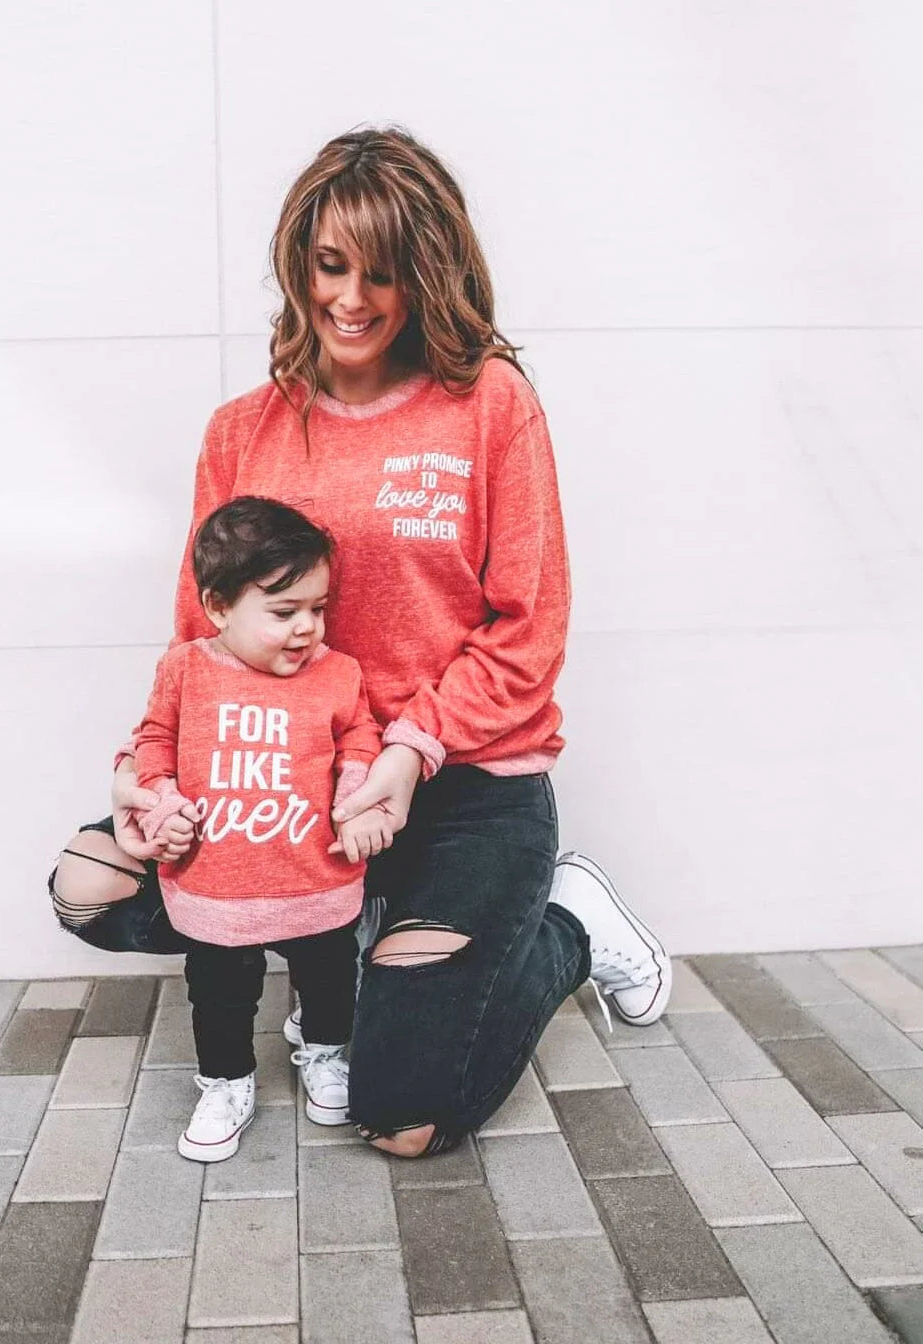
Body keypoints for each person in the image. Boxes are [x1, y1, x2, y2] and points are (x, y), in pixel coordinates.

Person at [50, 125, 671, 1158]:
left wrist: (405, 747)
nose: (349, 297)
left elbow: (529, 629)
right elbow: (197, 641)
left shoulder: (490, 407)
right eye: (330, 265)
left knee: (406, 1118)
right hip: (287, 788)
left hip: (461, 779)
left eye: (380, 272)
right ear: (299, 265)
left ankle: (563, 926)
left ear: (426, 274)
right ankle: (346, 932)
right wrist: (145, 778)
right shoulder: (241, 431)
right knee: (88, 884)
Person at [129, 495, 385, 1161]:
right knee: (220, 989)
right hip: (218, 880)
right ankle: (226, 1082)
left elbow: (361, 737)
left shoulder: (338, 674)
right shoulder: (186, 669)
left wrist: (357, 799)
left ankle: (323, 1050)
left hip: (315, 872)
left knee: (331, 971)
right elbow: (154, 740)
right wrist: (160, 801)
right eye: (283, 612)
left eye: (317, 608)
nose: (307, 628)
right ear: (217, 607)